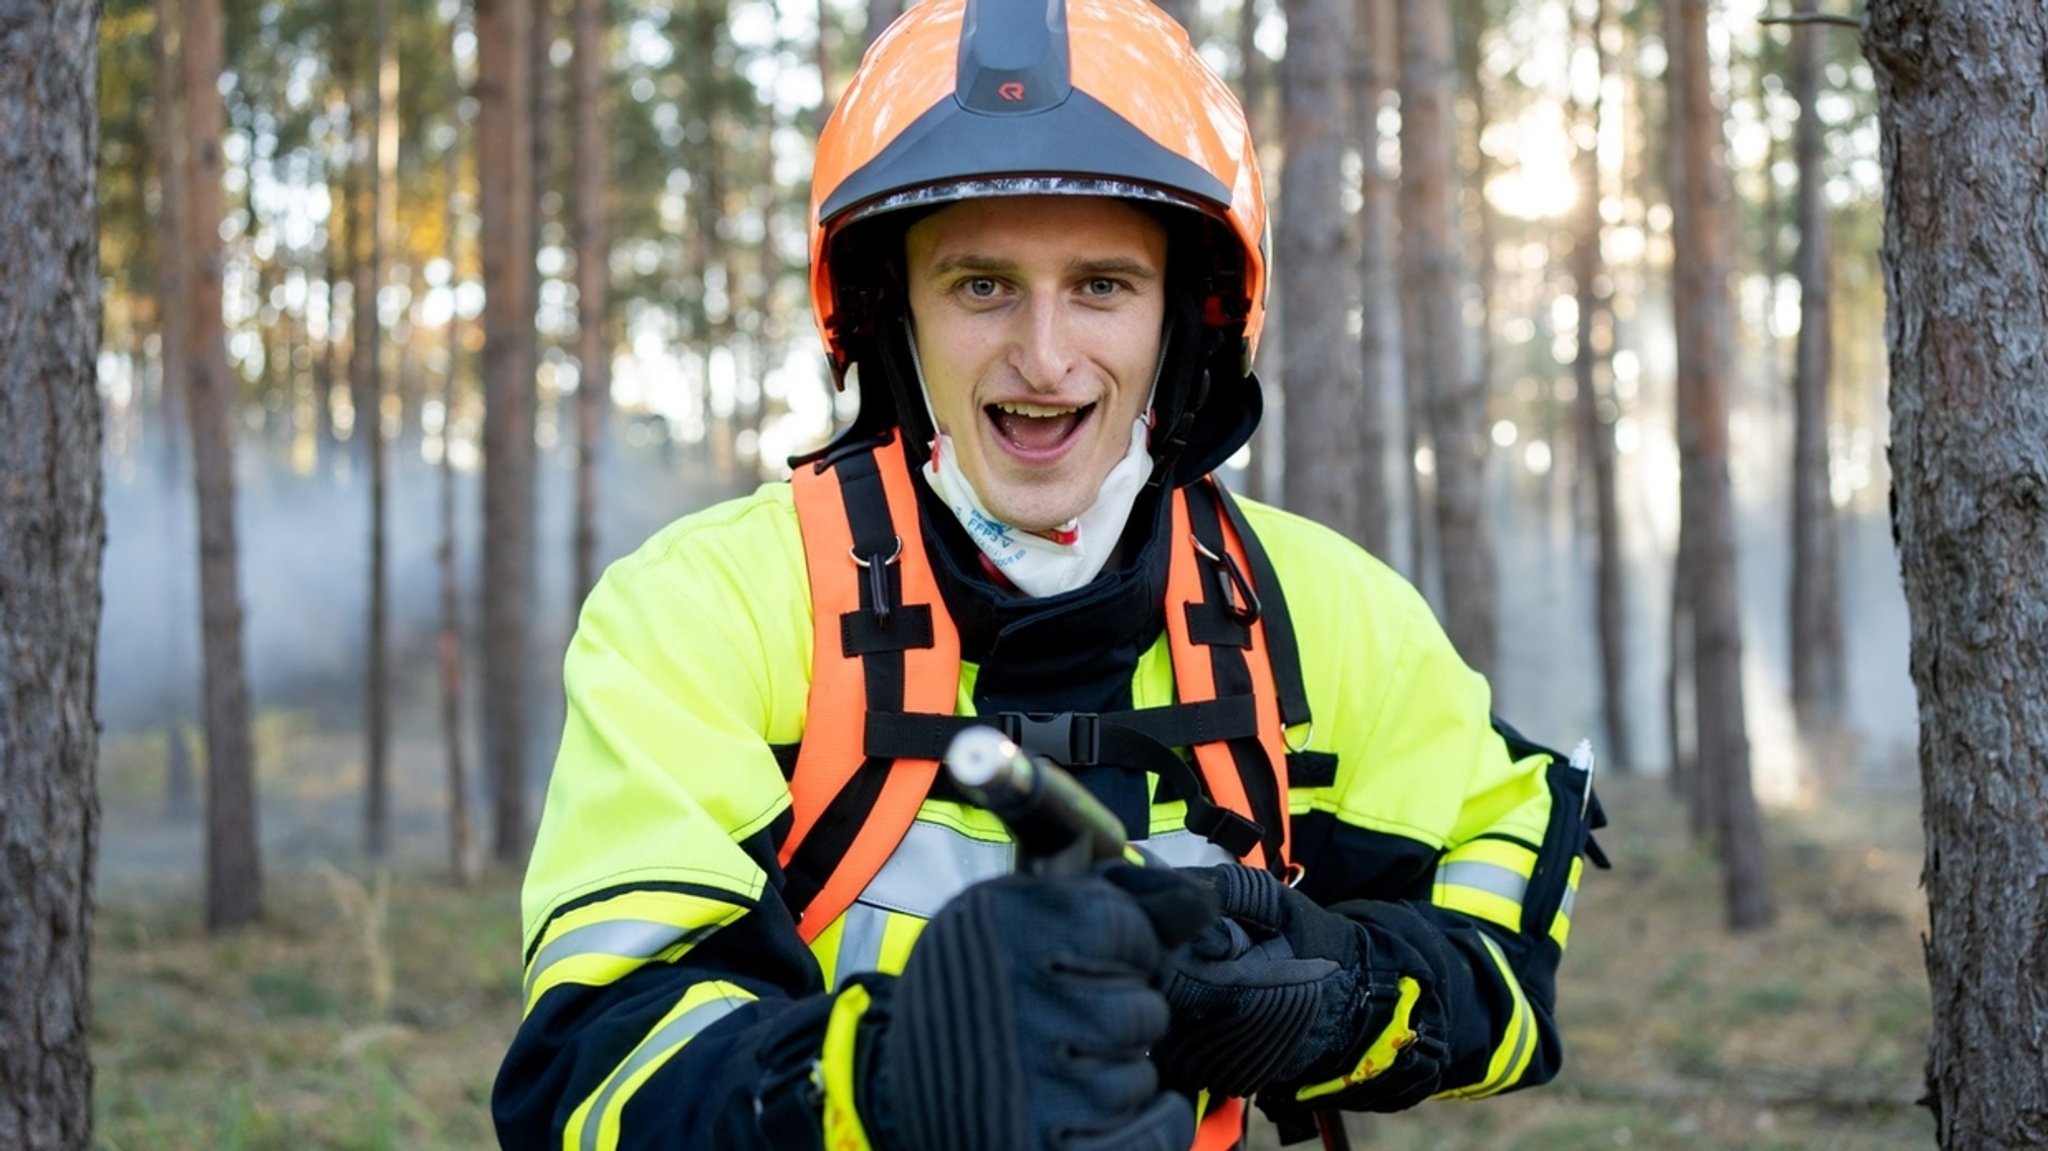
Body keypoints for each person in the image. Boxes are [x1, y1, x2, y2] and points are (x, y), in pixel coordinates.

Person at [492, 0, 1605, 1147]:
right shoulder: (705, 610)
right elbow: (594, 1068)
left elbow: (1504, 923)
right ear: (891, 314)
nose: (1043, 355)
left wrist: (1341, 997)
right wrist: (881, 1080)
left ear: (1186, 318)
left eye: (1101, 285)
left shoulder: (1323, 611)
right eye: (980, 284)